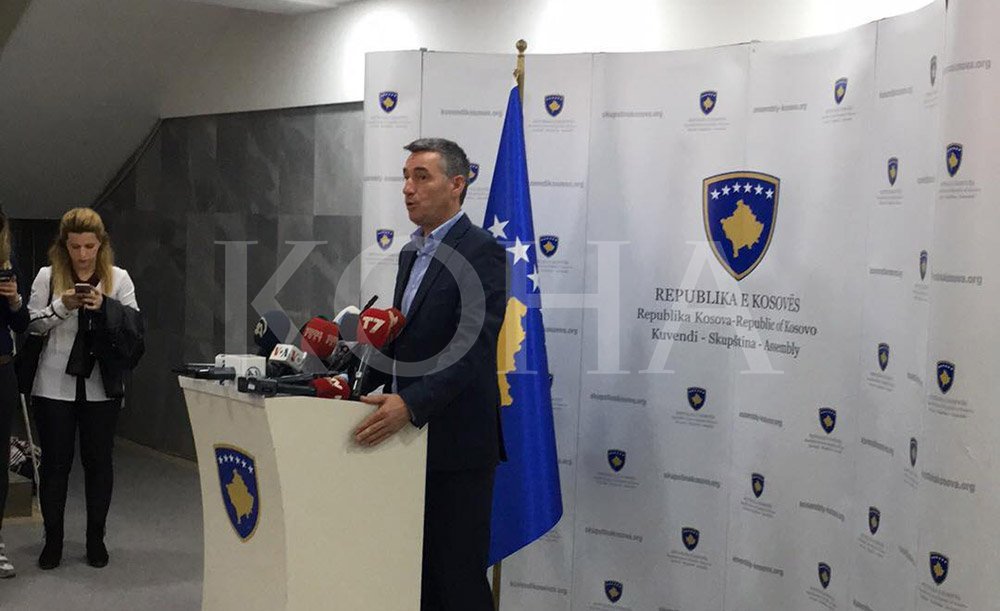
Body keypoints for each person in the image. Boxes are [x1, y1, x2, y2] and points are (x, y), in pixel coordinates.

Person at [355, 138, 507, 611]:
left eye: (422, 177)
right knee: (414, 578)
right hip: (405, 442)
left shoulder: (481, 251)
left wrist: (412, 403)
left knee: (456, 582)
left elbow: (472, 348)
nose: (407, 188)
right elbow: (401, 338)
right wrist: (351, 385)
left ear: (457, 185)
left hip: (456, 446)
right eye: (406, 177)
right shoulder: (410, 253)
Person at [27, 207, 141, 570]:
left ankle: (96, 539)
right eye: (75, 246)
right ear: (64, 245)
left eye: (89, 246)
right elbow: (31, 325)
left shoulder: (119, 278)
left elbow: (134, 329)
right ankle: (53, 540)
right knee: (55, 466)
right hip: (53, 385)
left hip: (101, 387)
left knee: (99, 463)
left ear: (101, 244)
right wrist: (62, 306)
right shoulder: (47, 276)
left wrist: (104, 306)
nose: (82, 254)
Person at [0, 210, 29, 578]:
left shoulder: (7, 264)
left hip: (2, 368)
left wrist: (15, 300)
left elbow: (22, 324)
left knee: (0, 462)